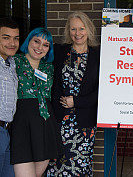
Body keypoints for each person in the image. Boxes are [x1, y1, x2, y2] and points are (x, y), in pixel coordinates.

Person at [46, 11, 100, 177]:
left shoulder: (98, 56)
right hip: (59, 122)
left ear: (89, 30)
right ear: (68, 31)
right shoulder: (58, 51)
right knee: (57, 165)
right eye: (73, 29)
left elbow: (102, 90)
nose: (78, 34)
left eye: (81, 29)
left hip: (85, 124)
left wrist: (76, 101)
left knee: (80, 167)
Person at [10, 27, 63, 177]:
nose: (40, 47)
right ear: (28, 41)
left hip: (45, 125)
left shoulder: (49, 68)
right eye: (36, 41)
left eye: (45, 45)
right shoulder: (14, 61)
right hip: (22, 125)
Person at [0, 17, 19, 177]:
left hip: (7, 130)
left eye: (15, 38)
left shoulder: (11, 64)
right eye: (6, 38)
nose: (12, 43)